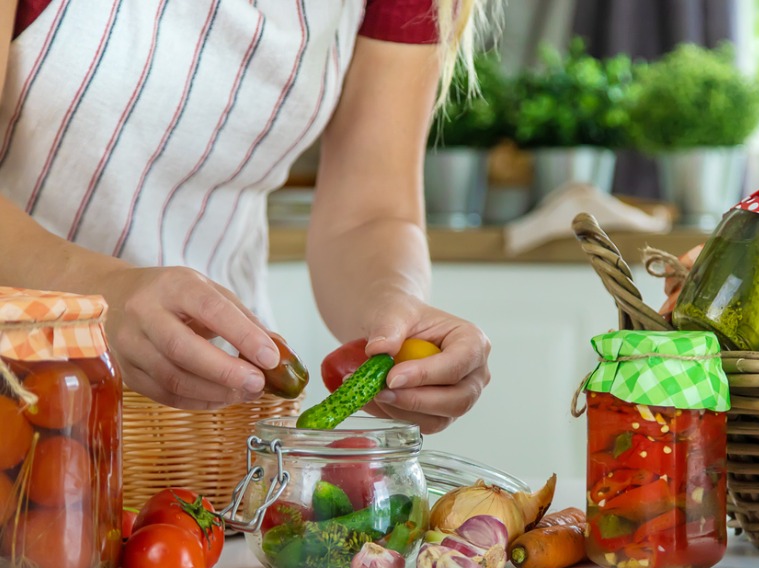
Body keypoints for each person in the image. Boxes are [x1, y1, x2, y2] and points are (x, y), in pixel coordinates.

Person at [0, 0, 498, 435]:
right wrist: (102, 298)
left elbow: (368, 213)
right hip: (17, 401)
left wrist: (396, 306)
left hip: (213, 429)